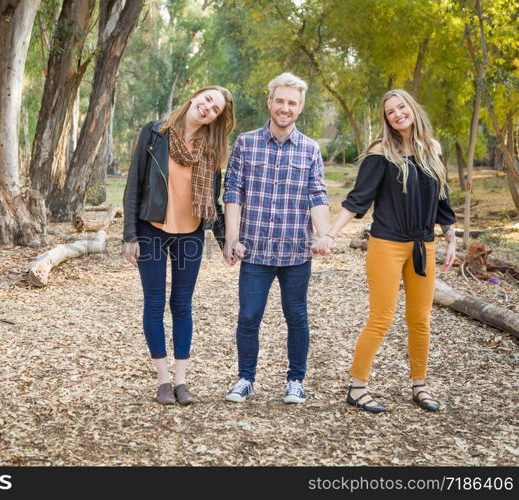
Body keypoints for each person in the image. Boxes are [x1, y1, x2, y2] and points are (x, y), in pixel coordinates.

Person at [317, 89, 457, 413]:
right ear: (387, 120)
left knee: (420, 319)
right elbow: (358, 198)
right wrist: (330, 233)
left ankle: (419, 386)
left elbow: (441, 199)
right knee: (381, 318)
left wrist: (450, 237)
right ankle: (357, 386)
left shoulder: (432, 149)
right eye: (390, 112)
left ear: (412, 108)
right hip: (387, 245)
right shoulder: (382, 151)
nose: (397, 114)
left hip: (424, 244)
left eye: (401, 107)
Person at [122, 86, 235, 405]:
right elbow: (134, 183)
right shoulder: (154, 133)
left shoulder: (210, 150)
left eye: (215, 109)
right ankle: (162, 381)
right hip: (152, 230)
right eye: (207, 100)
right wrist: (130, 234)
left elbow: (213, 201)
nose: (208, 108)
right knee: (154, 304)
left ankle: (182, 382)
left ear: (216, 118)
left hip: (191, 235)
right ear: (195, 96)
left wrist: (225, 241)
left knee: (182, 305)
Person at [222, 72, 331, 404]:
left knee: (296, 316)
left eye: (292, 103)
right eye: (280, 101)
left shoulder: (310, 149)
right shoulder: (246, 142)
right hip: (254, 251)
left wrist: (324, 235)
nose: (285, 108)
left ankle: (295, 381)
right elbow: (233, 192)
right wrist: (231, 238)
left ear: (300, 108)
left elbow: (318, 196)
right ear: (269, 102)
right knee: (249, 316)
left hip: (296, 253)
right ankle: (246, 378)